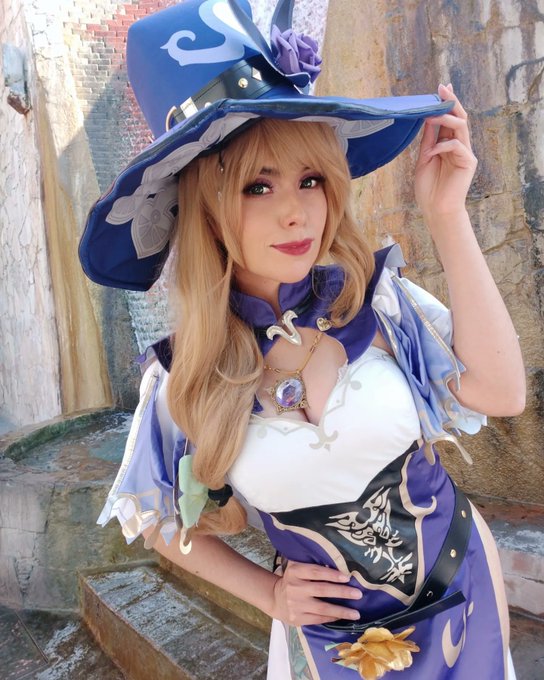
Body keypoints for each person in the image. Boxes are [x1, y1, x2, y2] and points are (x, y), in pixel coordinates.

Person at [79, 1, 525, 677]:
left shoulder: (379, 303)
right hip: (327, 650)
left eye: (310, 179)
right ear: (207, 209)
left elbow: (502, 393)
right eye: (258, 186)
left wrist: (446, 216)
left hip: (465, 602)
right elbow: (154, 520)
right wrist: (266, 593)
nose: (297, 212)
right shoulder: (185, 376)